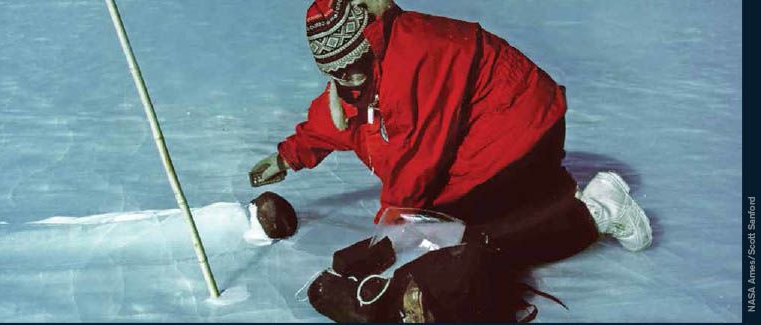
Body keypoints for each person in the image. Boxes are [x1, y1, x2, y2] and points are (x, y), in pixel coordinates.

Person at [251, 0, 653, 321]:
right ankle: (548, 194)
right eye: (340, 73)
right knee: (438, 224)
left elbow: (417, 161)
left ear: (367, 45)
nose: (351, 79)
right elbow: (341, 117)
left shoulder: (413, 60)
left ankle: (595, 213)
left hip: (523, 127)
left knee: (466, 237)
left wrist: (394, 229)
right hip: (504, 134)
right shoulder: (368, 68)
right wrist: (286, 157)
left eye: (357, 67)